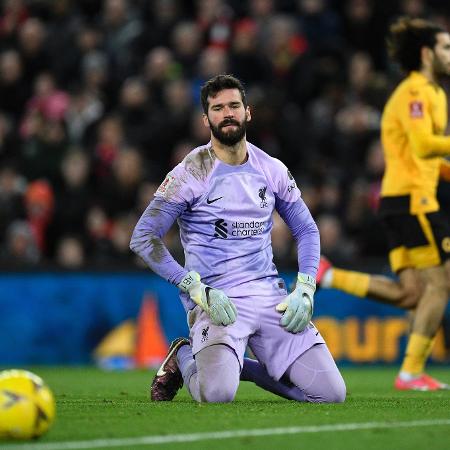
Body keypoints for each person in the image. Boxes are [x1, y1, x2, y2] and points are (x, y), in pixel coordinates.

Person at [130, 74, 346, 403]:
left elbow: (306, 229)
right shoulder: (191, 172)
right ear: (206, 119)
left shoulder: (270, 168)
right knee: (217, 395)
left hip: (269, 296)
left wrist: (305, 286)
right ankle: (184, 355)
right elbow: (144, 237)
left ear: (248, 112)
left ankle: (237, 365)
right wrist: (194, 287)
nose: (227, 113)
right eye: (218, 108)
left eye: (234, 105)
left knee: (330, 395)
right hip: (217, 301)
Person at [318, 17, 450, 391]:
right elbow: (425, 144)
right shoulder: (414, 92)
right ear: (426, 53)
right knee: (441, 283)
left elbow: (425, 155)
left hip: (404, 199)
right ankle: (410, 372)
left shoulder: (435, 94)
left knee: (411, 293)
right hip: (413, 202)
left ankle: (330, 275)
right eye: (446, 48)